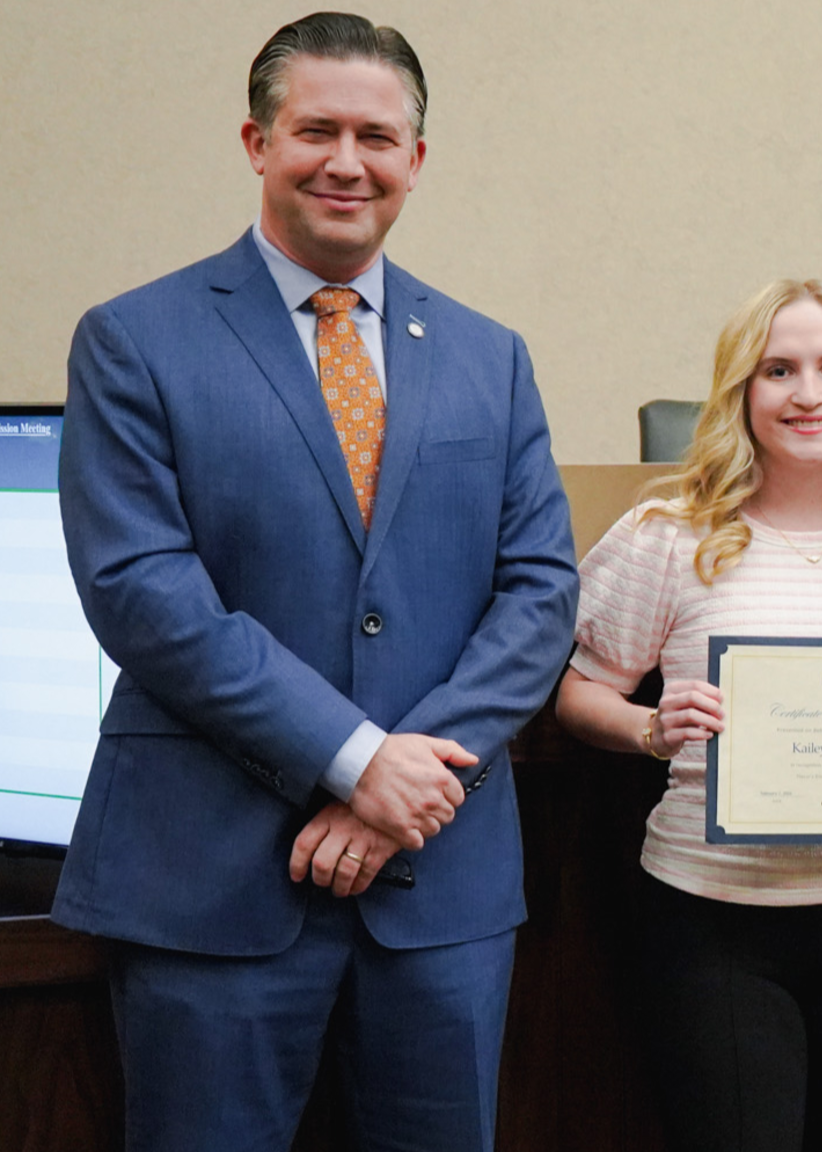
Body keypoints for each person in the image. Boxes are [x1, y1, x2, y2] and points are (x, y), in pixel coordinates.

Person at [52, 12, 579, 1151]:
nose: (348, 162)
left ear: (416, 160)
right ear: (257, 142)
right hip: (208, 883)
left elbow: (540, 591)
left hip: (438, 884)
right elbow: (141, 589)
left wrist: (406, 782)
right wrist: (354, 759)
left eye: (377, 138)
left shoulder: (490, 357)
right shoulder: (134, 340)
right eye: (316, 131)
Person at [555, 279, 822, 1152]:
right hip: (716, 917)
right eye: (779, 370)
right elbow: (576, 693)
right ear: (739, 392)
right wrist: (650, 727)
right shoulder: (667, 532)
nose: (809, 394)